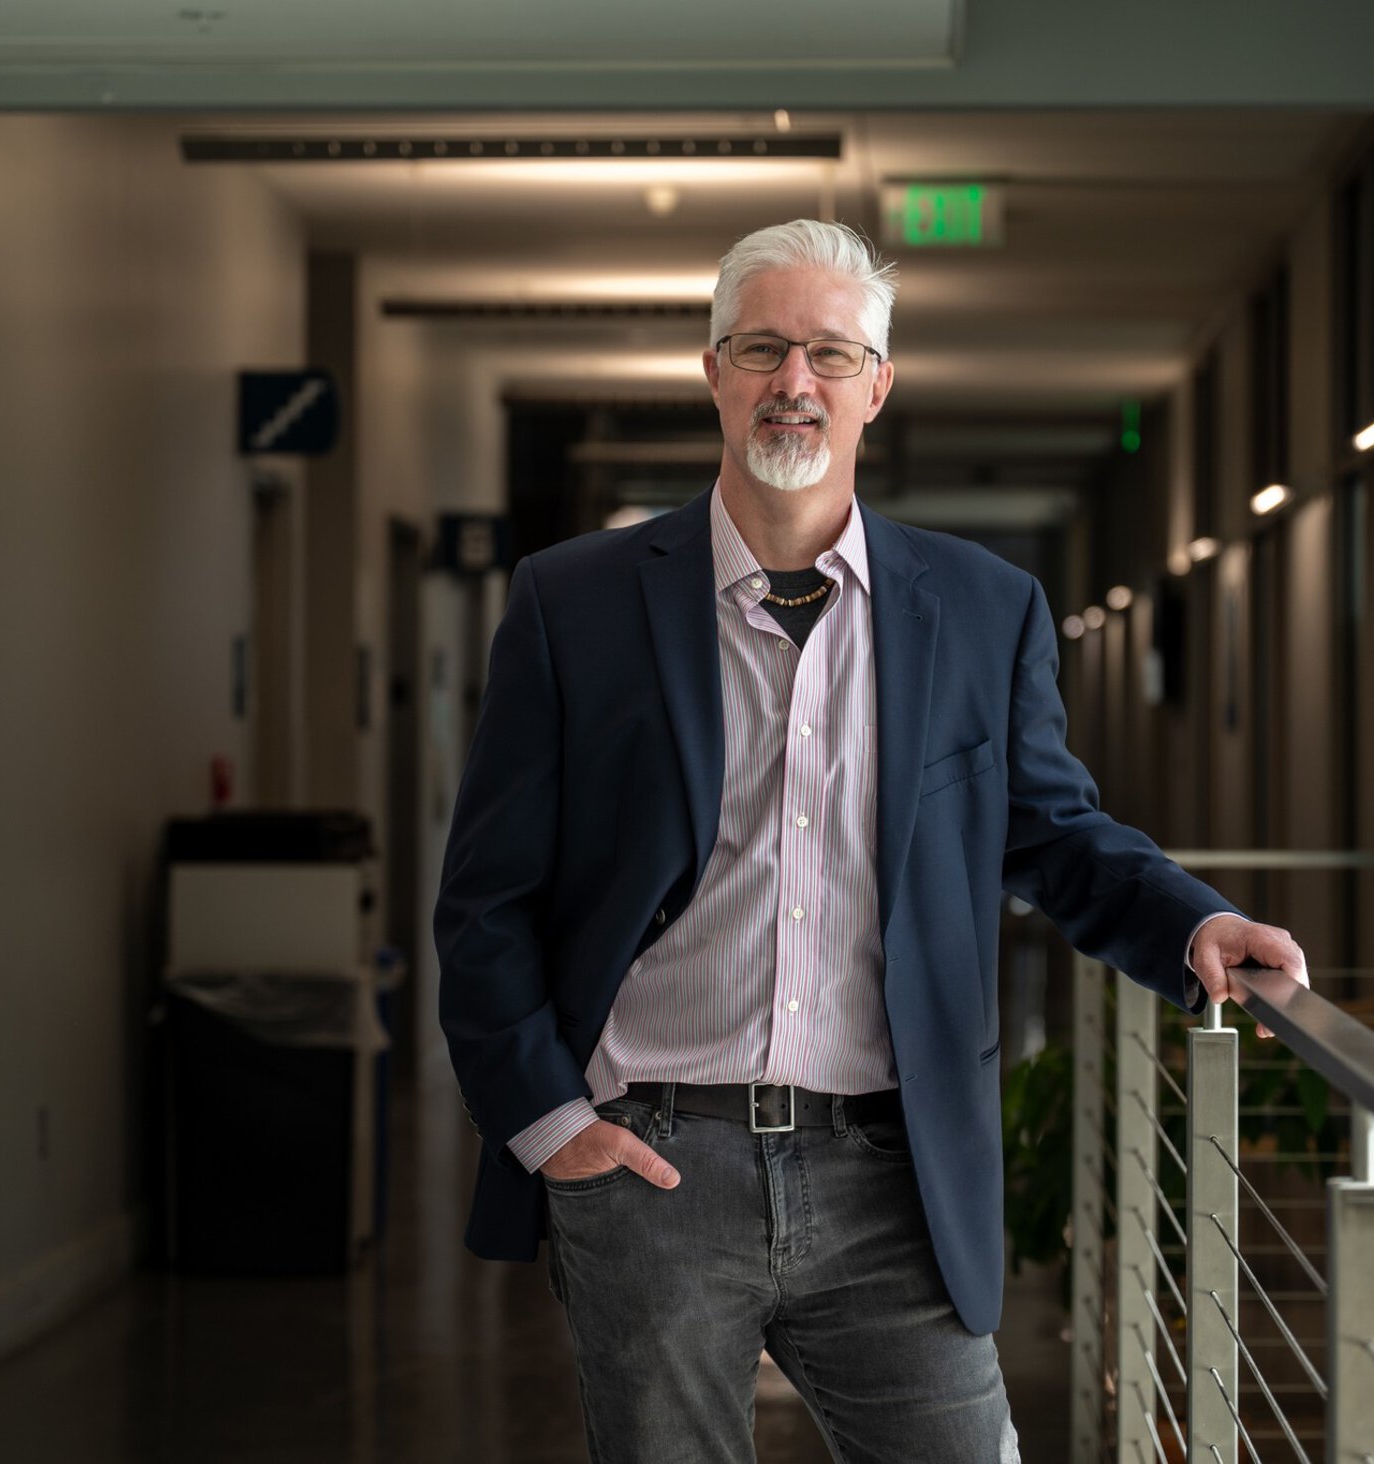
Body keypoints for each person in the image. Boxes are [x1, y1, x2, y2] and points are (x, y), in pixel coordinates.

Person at [434, 218, 1311, 1463]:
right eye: (764, 349)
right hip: (654, 1169)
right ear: (714, 371)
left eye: (832, 356)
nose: (796, 382)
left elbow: (1048, 828)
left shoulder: (978, 607)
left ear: (877, 387)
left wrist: (1190, 922)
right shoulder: (574, 602)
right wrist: (548, 1126)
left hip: (890, 1175)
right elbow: (486, 899)